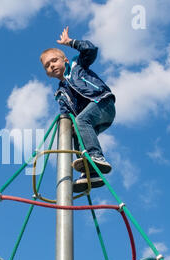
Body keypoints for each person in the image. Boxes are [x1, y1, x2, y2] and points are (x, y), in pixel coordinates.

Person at [40, 26, 116, 193]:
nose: (52, 65)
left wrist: (70, 42)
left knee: (81, 120)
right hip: (91, 119)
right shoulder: (60, 92)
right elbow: (65, 114)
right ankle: (89, 173)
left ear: (65, 60)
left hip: (103, 103)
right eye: (47, 65)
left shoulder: (76, 65)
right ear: (47, 73)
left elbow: (90, 50)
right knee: (74, 131)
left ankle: (96, 156)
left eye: (54, 60)